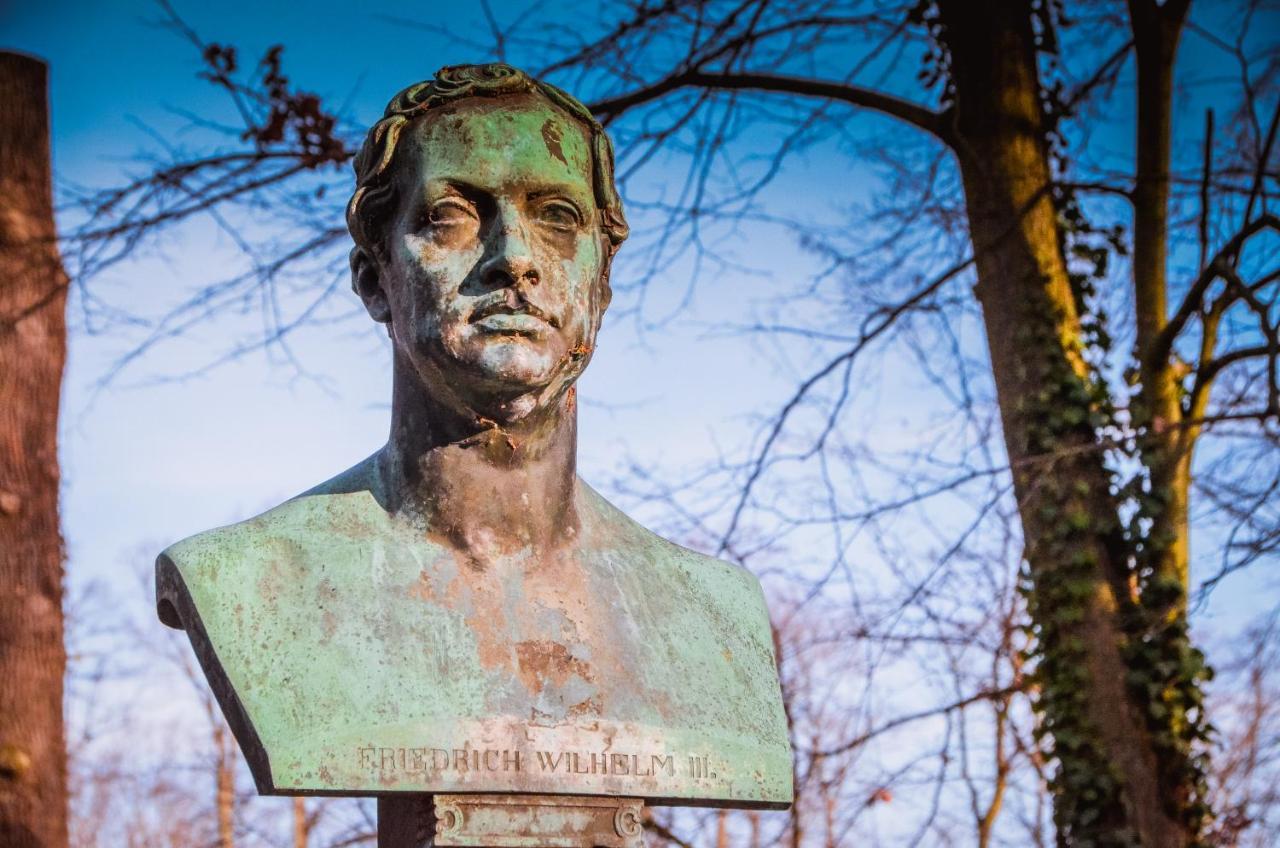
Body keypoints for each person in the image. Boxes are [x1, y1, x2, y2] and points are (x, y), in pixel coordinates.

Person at [156, 64, 790, 807]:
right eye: (452, 216)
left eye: (557, 216)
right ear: (373, 279)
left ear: (601, 283)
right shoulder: (251, 581)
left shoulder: (713, 617)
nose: (514, 257)